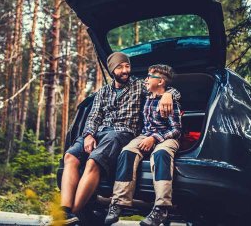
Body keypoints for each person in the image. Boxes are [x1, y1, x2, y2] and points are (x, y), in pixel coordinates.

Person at [59, 53, 180, 225]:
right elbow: (93, 117)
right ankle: (65, 212)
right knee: (70, 157)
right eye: (120, 67)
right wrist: (88, 135)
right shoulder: (103, 92)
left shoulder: (138, 86)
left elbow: (163, 86)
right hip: (99, 132)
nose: (125, 70)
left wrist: (169, 94)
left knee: (94, 161)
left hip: (122, 133)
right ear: (111, 70)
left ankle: (74, 214)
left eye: (127, 66)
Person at [104, 64, 182, 226]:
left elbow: (176, 129)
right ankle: (119, 202)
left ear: (160, 81)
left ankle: (161, 207)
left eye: (149, 77)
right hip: (144, 136)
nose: (145, 79)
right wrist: (147, 137)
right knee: (127, 152)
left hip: (166, 137)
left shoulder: (169, 102)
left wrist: (154, 138)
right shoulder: (146, 96)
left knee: (161, 155)